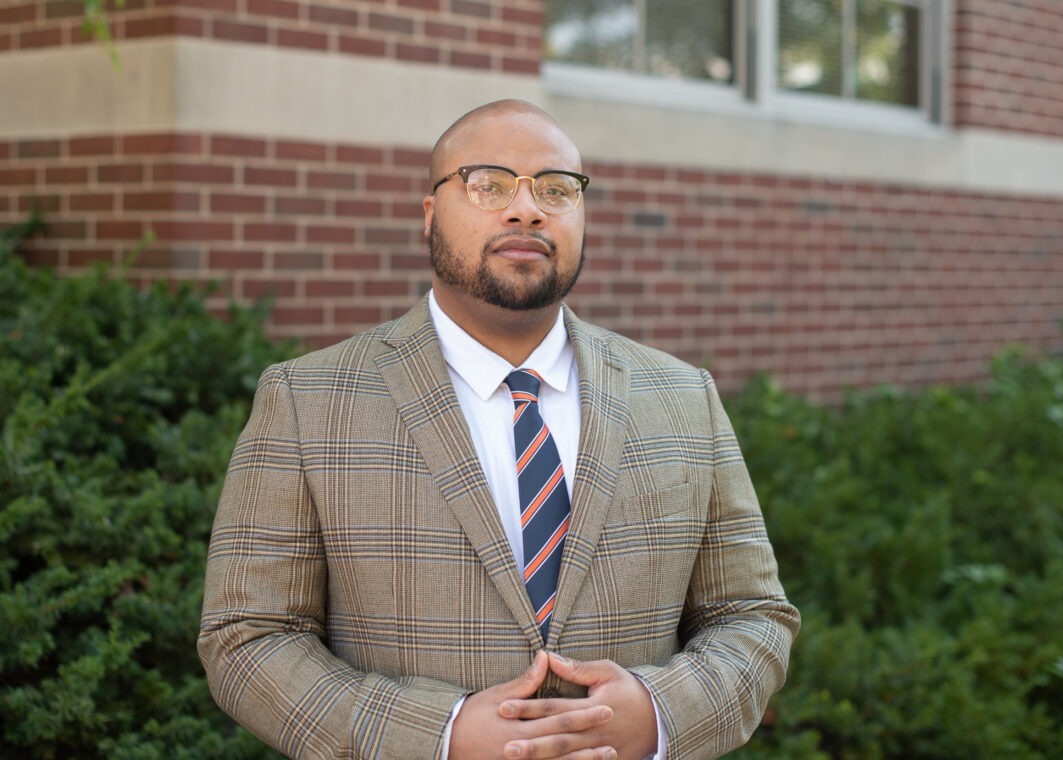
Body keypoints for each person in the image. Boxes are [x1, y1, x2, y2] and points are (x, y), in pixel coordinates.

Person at [198, 99, 799, 760]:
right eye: (488, 184)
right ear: (431, 214)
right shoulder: (306, 401)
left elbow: (750, 616)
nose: (527, 209)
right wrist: (441, 735)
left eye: (556, 189)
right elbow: (247, 636)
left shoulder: (685, 397)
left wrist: (658, 716)